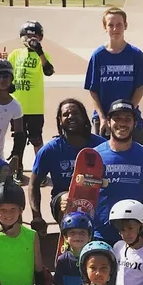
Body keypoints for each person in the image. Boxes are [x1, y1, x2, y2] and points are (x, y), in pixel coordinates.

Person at [94, 100, 143, 259]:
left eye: (127, 119)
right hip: (101, 236)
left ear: (135, 123)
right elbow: (82, 195)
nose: (122, 123)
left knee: (138, 284)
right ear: (108, 122)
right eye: (117, 118)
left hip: (136, 237)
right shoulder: (95, 156)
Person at [29, 98, 103, 235]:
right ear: (59, 120)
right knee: (69, 198)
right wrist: (37, 216)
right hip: (63, 201)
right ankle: (70, 241)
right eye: (65, 114)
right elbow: (33, 184)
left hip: (96, 197)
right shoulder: (50, 150)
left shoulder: (100, 146)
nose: (71, 117)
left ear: (83, 116)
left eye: (75, 113)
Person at [85, 8, 143, 145]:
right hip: (105, 119)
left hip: (129, 118)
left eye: (119, 24)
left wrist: (127, 115)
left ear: (125, 25)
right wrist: (102, 117)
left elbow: (139, 89)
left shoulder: (136, 55)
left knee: (139, 157)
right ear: (105, 27)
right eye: (110, 25)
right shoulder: (98, 56)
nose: (115, 29)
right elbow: (93, 90)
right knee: (103, 160)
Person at [7, 21, 55, 184]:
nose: (30, 39)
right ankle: (17, 169)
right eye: (27, 36)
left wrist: (39, 51)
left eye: (34, 36)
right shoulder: (15, 54)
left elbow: (48, 71)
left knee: (36, 139)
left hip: (35, 106)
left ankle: (40, 170)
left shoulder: (44, 55)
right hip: (17, 106)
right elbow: (8, 76)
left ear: (40, 38)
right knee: (18, 139)